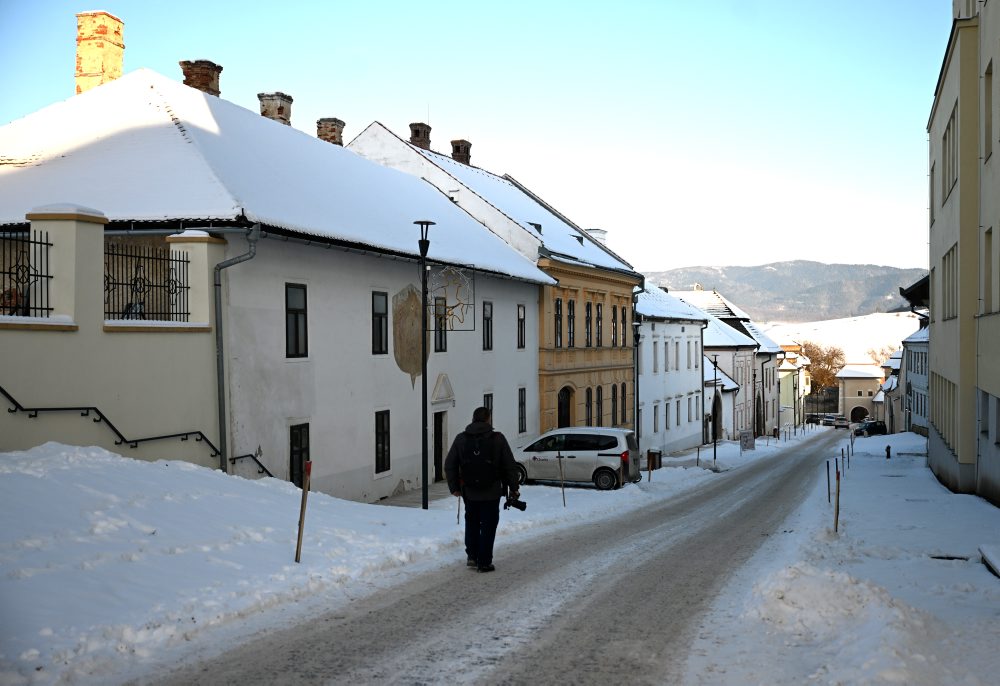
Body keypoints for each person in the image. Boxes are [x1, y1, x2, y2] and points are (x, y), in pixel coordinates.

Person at [444, 406, 520, 573]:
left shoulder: (461, 439)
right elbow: (509, 465)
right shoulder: (498, 438)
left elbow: (450, 464)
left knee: (471, 522)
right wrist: (514, 488)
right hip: (492, 490)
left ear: (473, 419)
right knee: (488, 525)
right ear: (488, 419)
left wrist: (454, 487)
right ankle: (484, 562)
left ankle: (472, 556)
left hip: (469, 490)